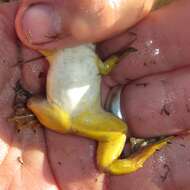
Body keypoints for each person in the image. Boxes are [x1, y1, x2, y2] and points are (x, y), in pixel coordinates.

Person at [0, 0, 189, 189]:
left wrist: (118, 55)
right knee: (114, 131)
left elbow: (105, 67)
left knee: (117, 134)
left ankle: (133, 161)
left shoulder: (62, 52)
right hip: (66, 116)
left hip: (78, 117)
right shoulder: (59, 49)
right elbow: (104, 67)